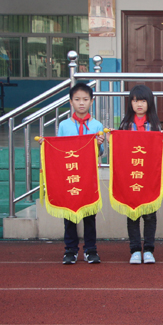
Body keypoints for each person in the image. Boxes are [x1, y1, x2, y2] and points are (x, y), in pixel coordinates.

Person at [118, 85, 163, 265]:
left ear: (149, 103)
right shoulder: (125, 125)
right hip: (131, 176)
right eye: (135, 100)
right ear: (130, 103)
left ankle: (148, 249)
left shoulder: (155, 125)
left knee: (150, 215)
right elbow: (119, 151)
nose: (139, 104)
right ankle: (134, 250)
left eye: (142, 100)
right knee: (132, 214)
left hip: (149, 178)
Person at [57, 83, 105, 265]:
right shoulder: (64, 125)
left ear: (91, 102)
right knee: (69, 214)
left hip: (89, 177)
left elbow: (100, 153)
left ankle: (90, 249)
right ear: (71, 102)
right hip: (69, 176)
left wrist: (99, 144)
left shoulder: (97, 125)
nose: (81, 103)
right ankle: (70, 250)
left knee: (89, 215)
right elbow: (59, 150)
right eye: (77, 100)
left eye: (85, 99)